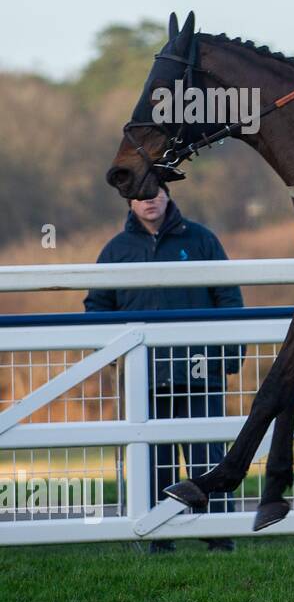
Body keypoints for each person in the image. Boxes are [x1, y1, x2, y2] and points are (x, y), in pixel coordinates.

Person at [84, 187, 244, 553]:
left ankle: (220, 535)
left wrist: (231, 354)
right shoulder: (115, 251)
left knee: (209, 457)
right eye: (139, 194)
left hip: (201, 373)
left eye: (154, 191)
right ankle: (158, 537)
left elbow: (228, 297)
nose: (148, 199)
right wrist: (107, 356)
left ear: (167, 195)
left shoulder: (203, 240)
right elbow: (96, 307)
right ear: (129, 201)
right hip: (143, 379)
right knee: (153, 459)